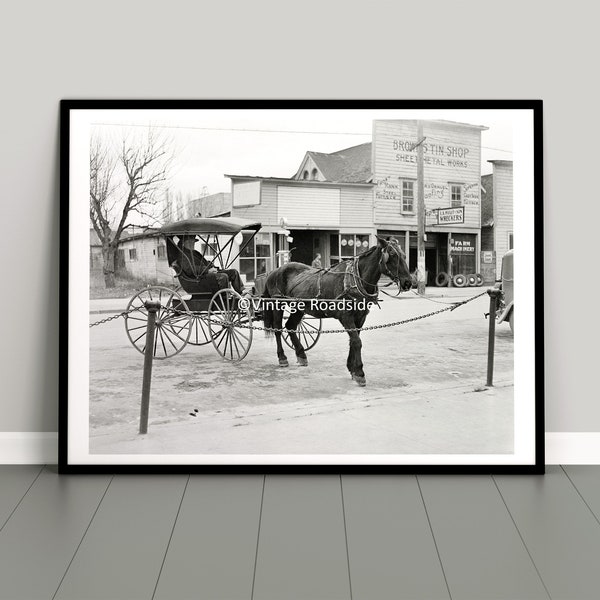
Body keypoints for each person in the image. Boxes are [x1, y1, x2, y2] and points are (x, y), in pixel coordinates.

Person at [174, 235, 244, 294]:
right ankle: (224, 297)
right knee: (223, 276)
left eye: (193, 242)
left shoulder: (195, 253)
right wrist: (207, 270)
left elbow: (205, 262)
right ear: (184, 243)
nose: (193, 244)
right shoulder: (182, 256)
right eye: (190, 242)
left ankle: (241, 294)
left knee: (233, 272)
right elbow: (189, 269)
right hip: (196, 279)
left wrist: (212, 267)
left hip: (205, 275)